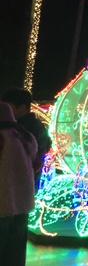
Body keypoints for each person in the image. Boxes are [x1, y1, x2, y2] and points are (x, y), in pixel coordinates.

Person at [0, 102, 38, 266]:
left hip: (3, 201)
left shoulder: (2, 136)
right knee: (16, 247)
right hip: (23, 201)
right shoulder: (26, 136)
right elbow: (36, 164)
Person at [2, 88, 51, 190]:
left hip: (18, 188)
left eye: (8, 107)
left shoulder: (26, 129)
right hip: (20, 188)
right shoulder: (22, 126)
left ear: (22, 107)